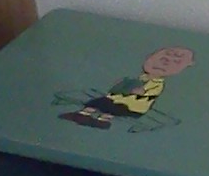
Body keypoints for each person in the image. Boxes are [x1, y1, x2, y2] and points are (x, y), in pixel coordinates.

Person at [61, 45, 193, 129]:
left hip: (132, 107)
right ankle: (82, 115)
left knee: (113, 109)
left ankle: (102, 121)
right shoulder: (142, 77)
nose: (163, 63)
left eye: (174, 62)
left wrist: (139, 91)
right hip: (116, 99)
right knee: (97, 102)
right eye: (161, 59)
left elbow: (148, 93)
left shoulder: (157, 83)